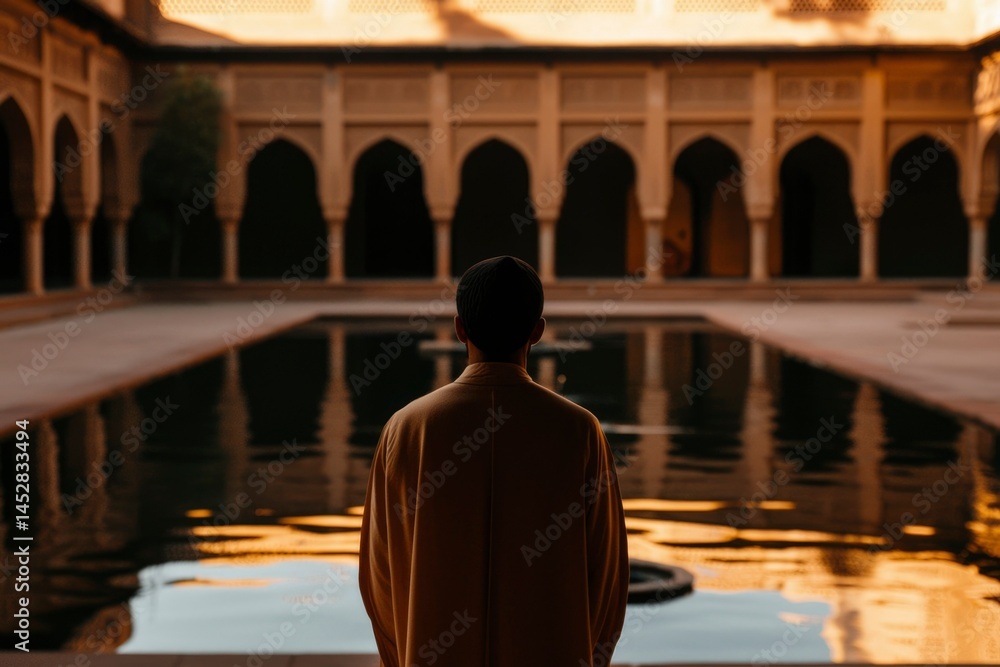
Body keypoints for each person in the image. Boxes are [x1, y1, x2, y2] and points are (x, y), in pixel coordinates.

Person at [359, 255, 629, 667]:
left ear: (459, 328)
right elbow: (607, 580)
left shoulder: (407, 428)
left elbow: (380, 578)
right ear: (537, 332)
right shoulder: (578, 431)